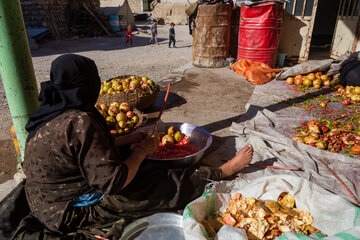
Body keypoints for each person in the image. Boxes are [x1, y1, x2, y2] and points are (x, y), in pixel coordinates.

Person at [12, 54, 253, 239]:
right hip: (68, 212)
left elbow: (80, 151)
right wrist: (143, 150)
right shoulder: (79, 121)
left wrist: (127, 141)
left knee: (140, 162)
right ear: (85, 85)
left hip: (43, 201)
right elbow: (113, 182)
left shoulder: (53, 108)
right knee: (161, 186)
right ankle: (222, 171)